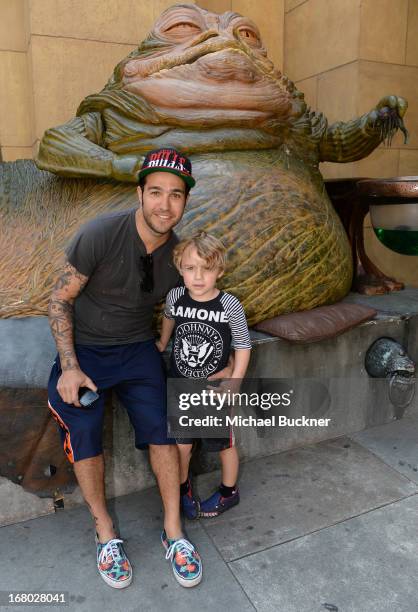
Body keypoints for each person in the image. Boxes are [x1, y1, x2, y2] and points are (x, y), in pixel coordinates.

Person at [47, 148, 207, 590]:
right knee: (82, 427)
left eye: (176, 195)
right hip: (87, 350)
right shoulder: (100, 233)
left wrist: (220, 356)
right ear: (140, 193)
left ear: (185, 202)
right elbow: (59, 299)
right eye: (155, 192)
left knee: (167, 427)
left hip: (137, 348)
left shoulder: (177, 254)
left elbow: (196, 303)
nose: (165, 204)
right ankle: (105, 533)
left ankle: (173, 531)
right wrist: (70, 367)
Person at [156, 232, 252, 520]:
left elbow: (244, 346)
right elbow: (169, 317)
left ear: (219, 271)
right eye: (190, 268)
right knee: (181, 444)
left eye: (207, 269)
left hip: (214, 389)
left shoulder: (229, 305)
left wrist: (234, 383)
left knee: (222, 444)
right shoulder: (176, 296)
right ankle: (183, 488)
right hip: (181, 386)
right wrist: (163, 342)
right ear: (180, 268)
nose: (198, 276)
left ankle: (228, 492)